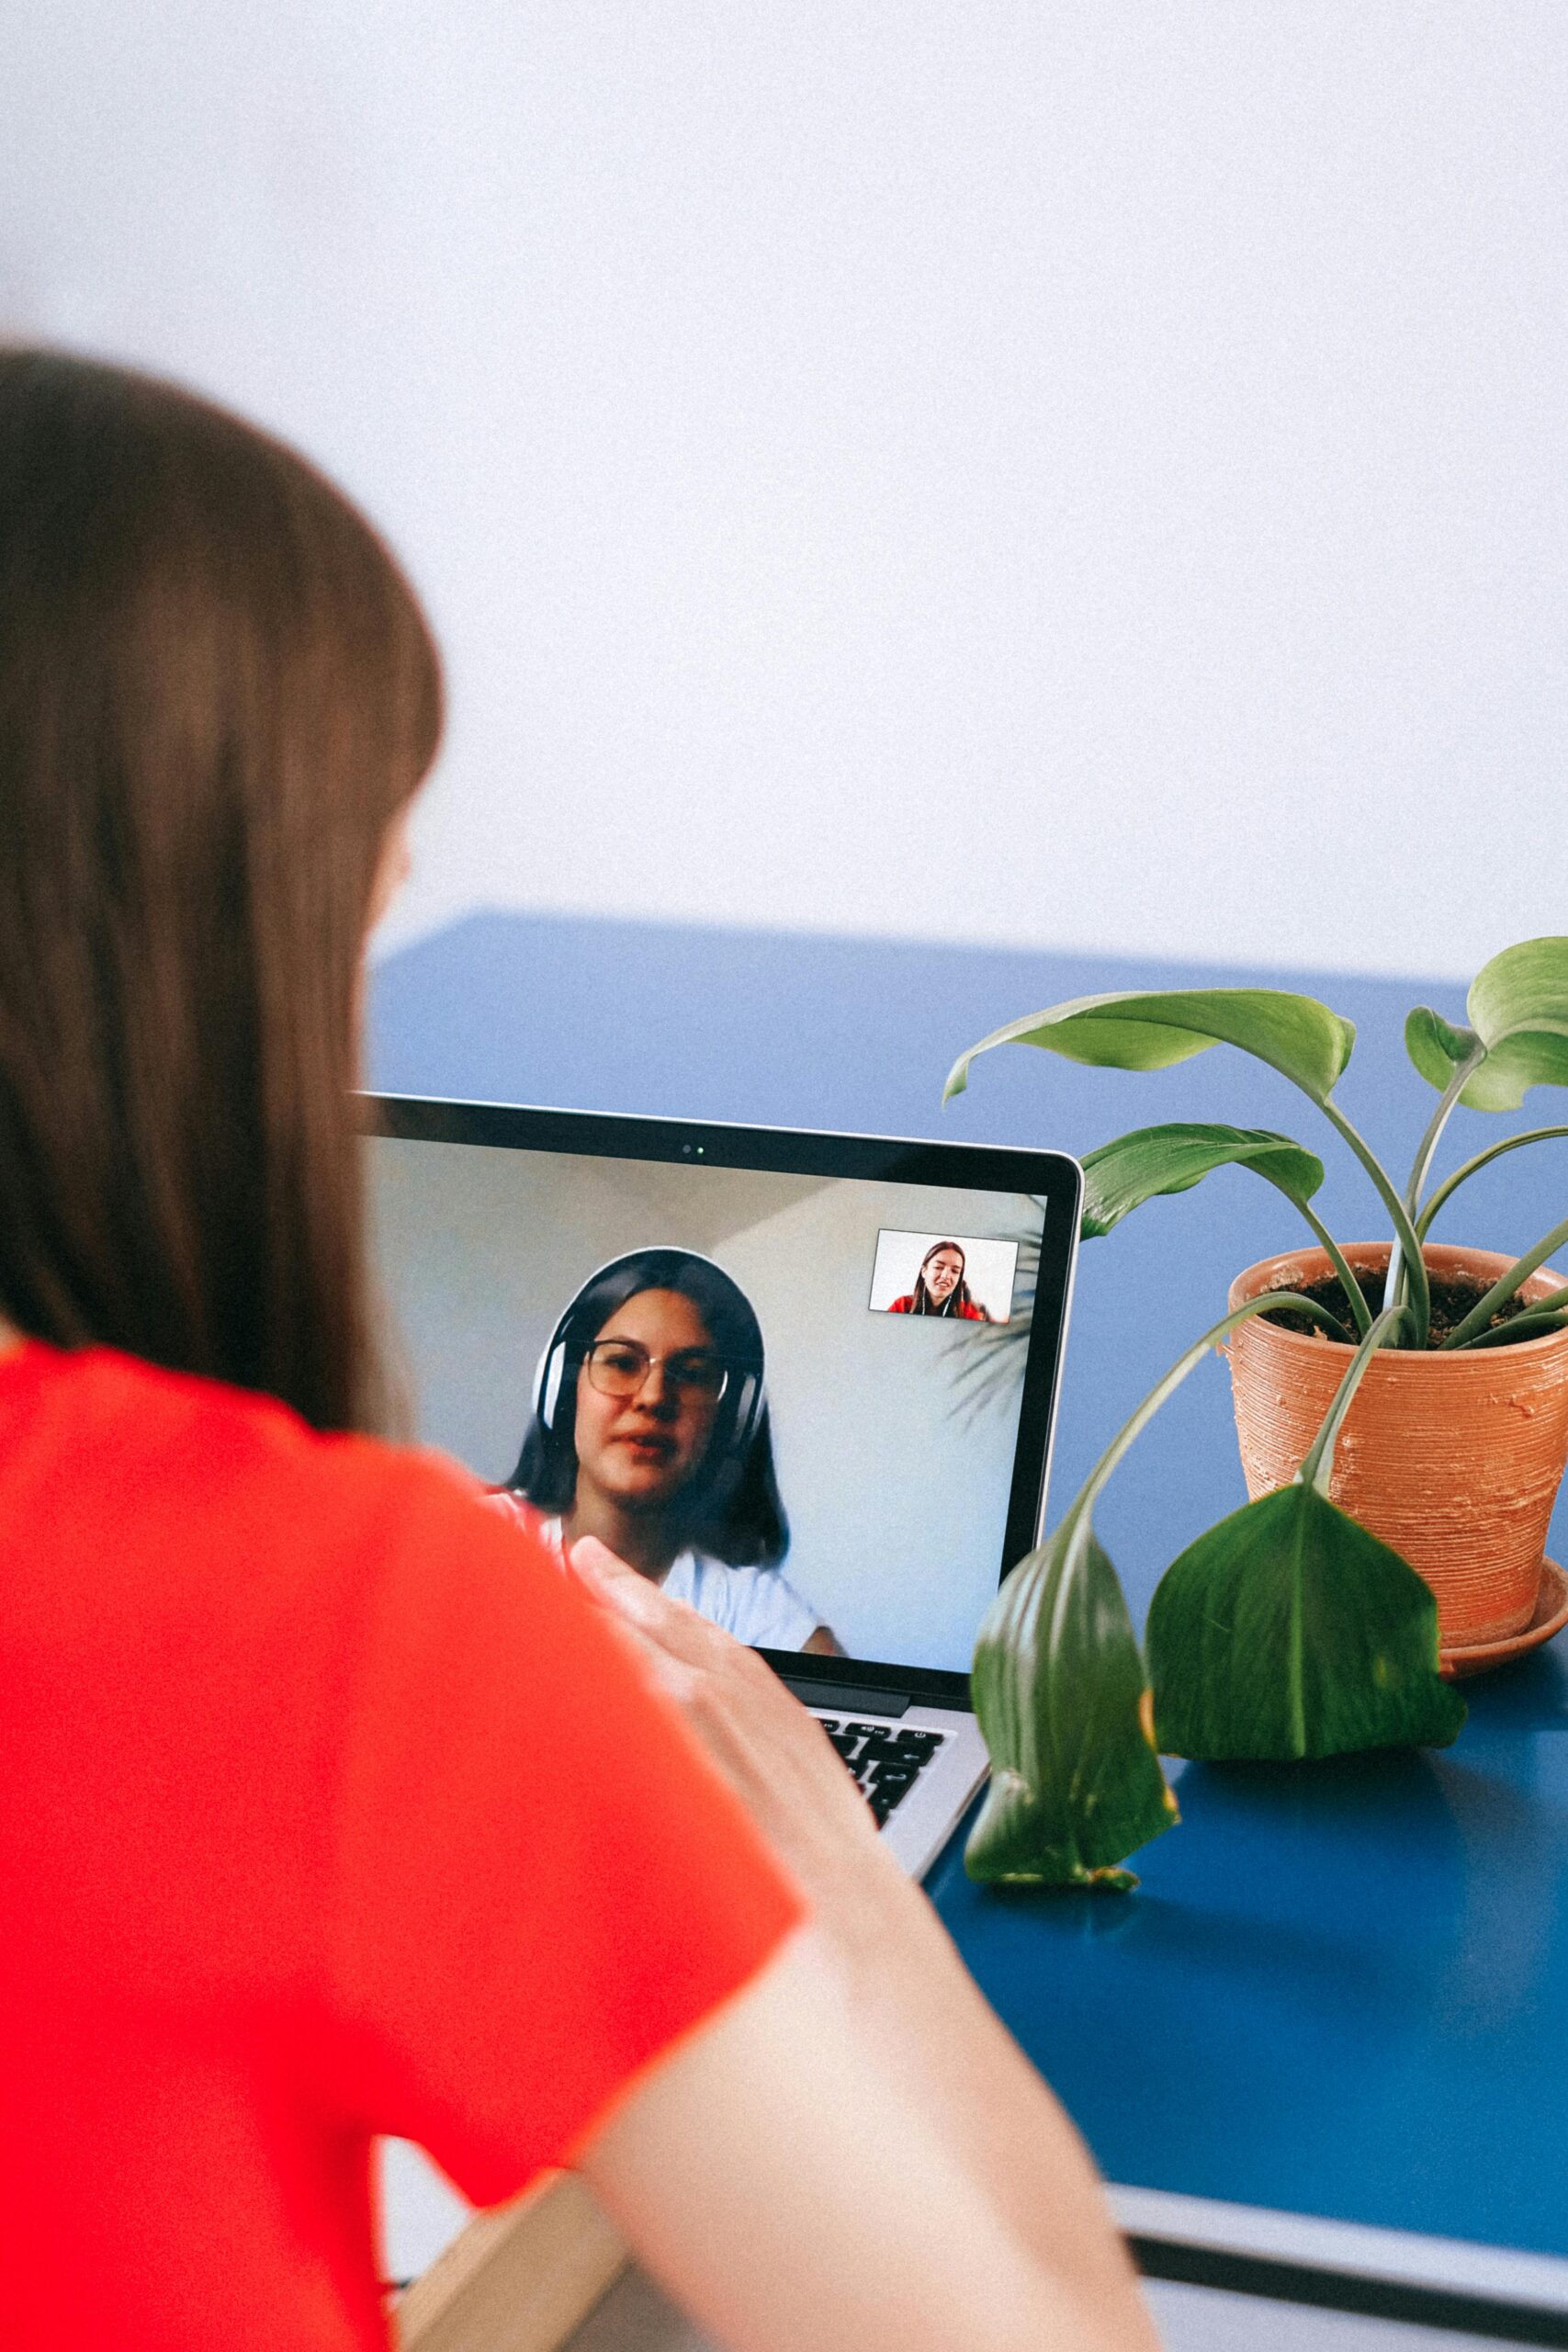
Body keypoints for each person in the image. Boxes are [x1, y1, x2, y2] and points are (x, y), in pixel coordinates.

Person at [0, 347, 1157, 2352]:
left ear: (731, 1410)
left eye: (687, 1364)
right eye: (362, 898)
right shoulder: (346, 1615)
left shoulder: (710, 1603)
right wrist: (848, 1881)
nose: (646, 1389)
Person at [497, 1247, 840, 1654]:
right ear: (564, 1390)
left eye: (692, 1375)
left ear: (729, 1422)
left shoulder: (756, 1611)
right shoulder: (477, 1540)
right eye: (623, 1363)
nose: (654, 1396)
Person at [888, 1238, 992, 1319]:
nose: (946, 1276)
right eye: (938, 1267)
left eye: (955, 1271)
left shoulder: (969, 1312)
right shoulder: (901, 1306)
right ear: (924, 1271)